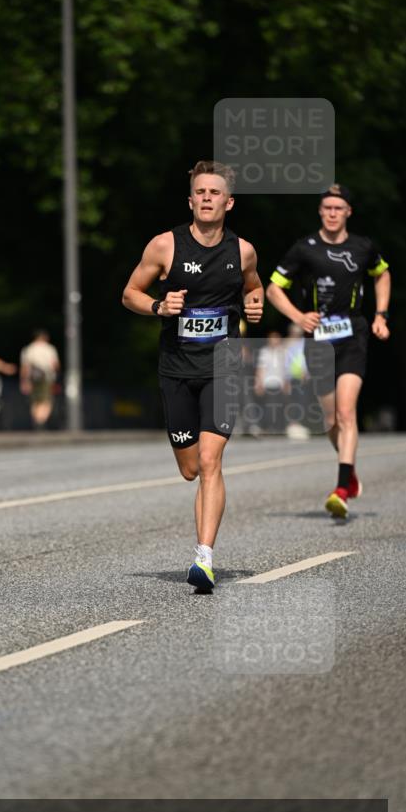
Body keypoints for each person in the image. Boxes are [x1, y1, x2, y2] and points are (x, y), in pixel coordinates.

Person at [122, 160, 264, 592]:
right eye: (200, 192)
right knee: (189, 468)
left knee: (210, 462)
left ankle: (204, 558)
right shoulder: (165, 246)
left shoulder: (243, 251)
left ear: (229, 202)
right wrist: (158, 307)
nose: (206, 198)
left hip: (223, 368)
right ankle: (202, 549)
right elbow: (129, 292)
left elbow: (254, 286)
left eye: (214, 192)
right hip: (177, 369)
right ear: (191, 200)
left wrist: (256, 304)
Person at [266, 184, 391, 518]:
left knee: (347, 412)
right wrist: (297, 316)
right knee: (331, 418)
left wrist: (381, 315)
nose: (333, 213)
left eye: (339, 208)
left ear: (349, 211)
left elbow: (382, 274)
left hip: (353, 335)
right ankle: (350, 474)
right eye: (327, 208)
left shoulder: (363, 247)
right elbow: (274, 288)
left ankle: (340, 488)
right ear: (320, 212)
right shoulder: (304, 248)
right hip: (318, 340)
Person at [20, 330, 61, 430]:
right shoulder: (49, 348)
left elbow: (25, 366)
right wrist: (58, 375)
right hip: (47, 377)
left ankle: (36, 419)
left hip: (33, 377)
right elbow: (55, 364)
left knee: (35, 400)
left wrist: (24, 380)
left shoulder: (29, 349)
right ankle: (41, 420)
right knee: (46, 399)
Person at [254, 330, 289, 434]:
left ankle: (279, 427)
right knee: (268, 407)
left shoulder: (283, 352)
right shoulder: (264, 351)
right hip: (267, 383)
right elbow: (260, 368)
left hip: (280, 383)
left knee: (280, 407)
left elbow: (285, 369)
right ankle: (268, 427)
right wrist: (258, 383)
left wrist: (286, 383)